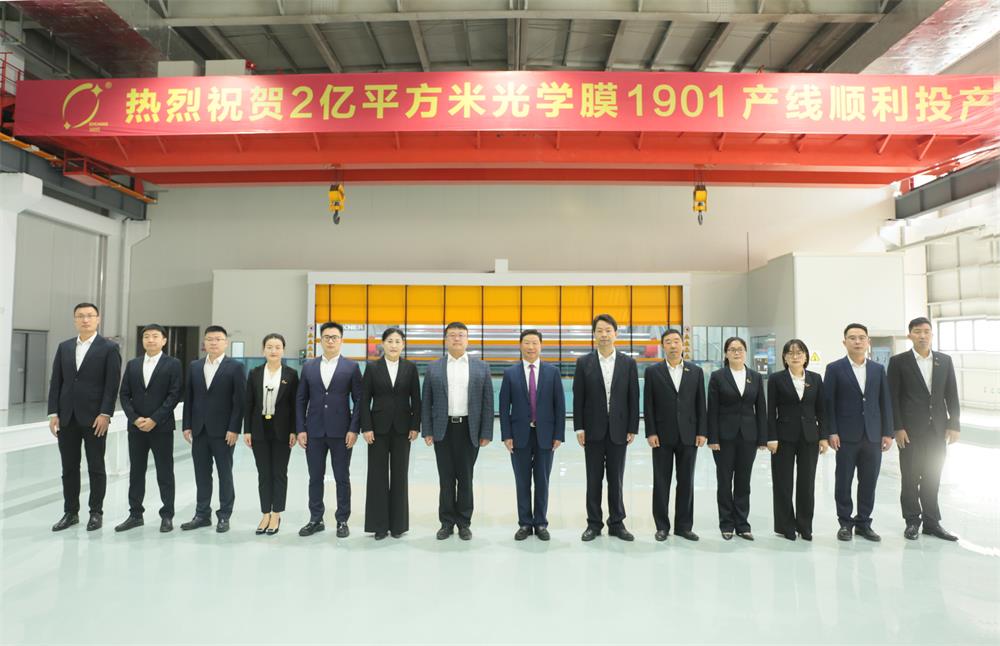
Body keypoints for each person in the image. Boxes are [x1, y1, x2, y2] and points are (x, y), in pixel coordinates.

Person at [48, 302, 122, 532]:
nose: (85, 319)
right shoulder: (65, 347)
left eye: (90, 315)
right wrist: (53, 413)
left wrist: (105, 413)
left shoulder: (109, 348)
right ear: (75, 320)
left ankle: (95, 512)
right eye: (80, 316)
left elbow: (112, 384)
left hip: (95, 418)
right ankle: (70, 512)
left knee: (96, 466)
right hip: (67, 417)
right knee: (69, 467)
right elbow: (56, 381)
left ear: (98, 319)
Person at [887, 317, 961, 541]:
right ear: (909, 335)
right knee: (910, 477)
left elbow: (952, 394)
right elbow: (893, 398)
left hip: (937, 429)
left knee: (933, 475)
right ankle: (912, 521)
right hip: (910, 431)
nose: (922, 335)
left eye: (926, 331)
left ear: (932, 334)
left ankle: (932, 522)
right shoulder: (898, 362)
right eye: (917, 331)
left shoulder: (944, 361)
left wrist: (954, 424)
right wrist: (897, 427)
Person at [421, 321, 494, 541]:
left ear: (467, 339)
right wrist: (427, 430)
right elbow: (426, 401)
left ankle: (463, 523)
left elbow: (488, 402)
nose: (457, 338)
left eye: (461, 335)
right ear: (445, 339)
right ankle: (446, 523)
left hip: (469, 429)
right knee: (445, 478)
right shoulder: (434, 367)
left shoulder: (481, 367)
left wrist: (486, 432)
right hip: (442, 429)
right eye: (452, 335)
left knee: (465, 478)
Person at [824, 323, 894, 542]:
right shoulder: (834, 368)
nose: (857, 341)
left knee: (869, 481)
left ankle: (864, 522)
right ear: (844, 342)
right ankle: (845, 523)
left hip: (873, 436)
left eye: (862, 337)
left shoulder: (877, 369)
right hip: (845, 436)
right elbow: (828, 403)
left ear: (868, 342)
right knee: (843, 481)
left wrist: (887, 432)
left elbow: (885, 402)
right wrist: (831, 431)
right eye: (852, 338)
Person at [573, 314, 639, 542]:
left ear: (616, 334)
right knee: (593, 479)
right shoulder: (584, 363)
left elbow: (633, 397)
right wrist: (579, 428)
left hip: (619, 430)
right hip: (592, 430)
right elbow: (578, 398)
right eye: (600, 330)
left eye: (608, 330)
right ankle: (593, 524)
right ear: (594, 334)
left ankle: (617, 523)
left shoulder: (628, 363)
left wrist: (632, 427)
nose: (604, 335)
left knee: (616, 479)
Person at [296, 321, 362, 538]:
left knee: (342, 477)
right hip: (313, 431)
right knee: (315, 477)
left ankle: (342, 520)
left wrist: (354, 429)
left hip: (341, 432)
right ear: (320, 340)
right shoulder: (309, 367)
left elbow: (359, 400)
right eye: (326, 337)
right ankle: (316, 519)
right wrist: (301, 429)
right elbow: (301, 400)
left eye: (335, 337)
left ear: (341, 340)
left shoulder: (351, 367)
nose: (331, 341)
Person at [499, 329, 566, 541]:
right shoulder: (510, 373)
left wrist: (559, 434)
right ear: (520, 345)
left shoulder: (552, 372)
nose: (530, 347)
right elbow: (504, 407)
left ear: (541, 346)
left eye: (535, 343)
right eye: (527, 343)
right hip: (519, 435)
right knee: (522, 481)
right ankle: (525, 523)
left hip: (546, 435)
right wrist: (506, 435)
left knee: (542, 481)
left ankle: (541, 523)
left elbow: (560, 406)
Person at [115, 324, 182, 533]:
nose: (150, 340)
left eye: (155, 336)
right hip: (136, 428)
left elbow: (174, 395)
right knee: (136, 472)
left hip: (161, 428)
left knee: (165, 472)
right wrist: (135, 419)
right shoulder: (133, 364)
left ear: (164, 340)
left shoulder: (173, 364)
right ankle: (135, 514)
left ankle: (167, 515)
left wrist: (154, 419)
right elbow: (124, 394)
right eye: (146, 336)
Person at [180, 325, 246, 533]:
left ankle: (224, 515)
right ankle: (202, 514)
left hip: (224, 432)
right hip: (199, 430)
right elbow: (189, 397)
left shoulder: (235, 367)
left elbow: (239, 401)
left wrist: (234, 428)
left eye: (218, 339)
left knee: (224, 474)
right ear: (204, 343)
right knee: (201, 474)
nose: (213, 342)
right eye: (209, 339)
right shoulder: (195, 366)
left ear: (225, 343)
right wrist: (187, 425)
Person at [643, 328, 706, 542]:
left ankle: (684, 527)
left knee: (686, 481)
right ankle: (662, 526)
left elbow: (700, 403)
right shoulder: (653, 372)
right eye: (668, 342)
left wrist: (701, 431)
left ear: (682, 344)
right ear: (663, 346)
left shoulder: (695, 371)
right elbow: (648, 405)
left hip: (689, 434)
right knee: (661, 482)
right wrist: (651, 432)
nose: (673, 345)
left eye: (676, 341)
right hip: (661, 435)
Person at [360, 327, 421, 540]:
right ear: (383, 344)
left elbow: (416, 399)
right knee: (377, 476)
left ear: (403, 345)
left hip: (403, 430)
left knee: (400, 475)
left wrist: (415, 426)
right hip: (377, 429)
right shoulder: (372, 367)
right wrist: (366, 427)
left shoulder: (410, 368)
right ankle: (379, 525)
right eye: (390, 341)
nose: (393, 345)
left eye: (397, 341)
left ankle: (398, 526)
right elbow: (364, 400)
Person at [767, 338, 827, 542]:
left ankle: (805, 525)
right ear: (784, 357)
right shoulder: (776, 379)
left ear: (806, 356)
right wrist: (771, 437)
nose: (795, 356)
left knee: (807, 482)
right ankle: (786, 526)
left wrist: (823, 437)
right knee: (783, 482)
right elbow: (770, 410)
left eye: (799, 352)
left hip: (810, 437)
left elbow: (821, 410)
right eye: (790, 353)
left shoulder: (815, 379)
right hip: (783, 437)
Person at [707, 336, 767, 541]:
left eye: (740, 349)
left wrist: (762, 438)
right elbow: (712, 409)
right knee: (724, 481)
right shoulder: (718, 377)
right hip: (724, 437)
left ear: (745, 352)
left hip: (748, 437)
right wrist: (713, 437)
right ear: (726, 353)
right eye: (732, 349)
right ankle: (726, 524)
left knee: (743, 482)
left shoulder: (755, 377)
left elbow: (761, 409)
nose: (736, 352)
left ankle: (742, 524)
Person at [243, 333, 299, 536]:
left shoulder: (291, 374)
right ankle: (265, 513)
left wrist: (294, 430)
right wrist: (247, 430)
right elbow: (248, 403)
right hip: (259, 429)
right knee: (264, 473)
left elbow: (295, 405)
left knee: (279, 473)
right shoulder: (255, 373)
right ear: (263, 350)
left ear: (283, 350)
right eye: (269, 347)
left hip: (282, 431)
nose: (273, 350)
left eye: (277, 347)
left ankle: (276, 514)